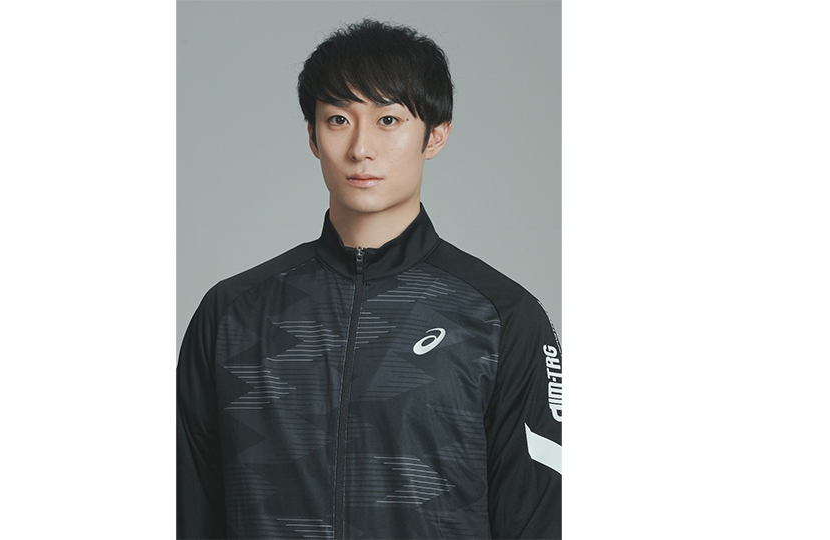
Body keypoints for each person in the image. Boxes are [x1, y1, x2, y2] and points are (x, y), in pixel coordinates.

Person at [178, 19, 562, 539]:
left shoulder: (502, 318)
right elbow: (189, 511)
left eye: (388, 120)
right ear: (312, 137)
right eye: (338, 119)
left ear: (436, 134)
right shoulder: (232, 314)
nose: (361, 148)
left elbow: (539, 517)